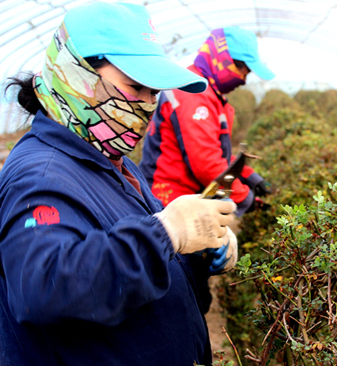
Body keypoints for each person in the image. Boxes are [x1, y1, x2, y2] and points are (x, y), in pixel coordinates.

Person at [0, 2, 238, 365]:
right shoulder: (40, 177)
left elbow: (129, 258)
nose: (146, 104)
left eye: (153, 92)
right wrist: (167, 232)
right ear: (75, 72)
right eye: (135, 86)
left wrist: (197, 251)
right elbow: (45, 289)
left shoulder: (113, 162)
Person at [139, 26, 274, 217]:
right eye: (242, 69)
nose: (243, 79)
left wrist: (247, 174)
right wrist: (244, 197)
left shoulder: (208, 91)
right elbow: (207, 163)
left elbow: (215, 152)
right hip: (170, 202)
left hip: (186, 199)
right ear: (223, 58)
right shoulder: (195, 93)